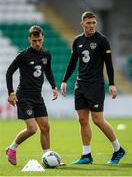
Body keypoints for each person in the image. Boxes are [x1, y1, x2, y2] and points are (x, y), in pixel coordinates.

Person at [61, 11, 125, 165]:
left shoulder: (102, 40)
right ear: (82, 23)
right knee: (83, 120)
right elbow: (72, 62)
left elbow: (109, 64)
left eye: (93, 23)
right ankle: (86, 155)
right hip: (80, 84)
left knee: (97, 120)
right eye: (88, 23)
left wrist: (111, 84)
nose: (91, 26)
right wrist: (64, 81)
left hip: (95, 85)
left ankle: (118, 149)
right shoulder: (77, 41)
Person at [6, 25, 58, 165]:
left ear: (43, 38)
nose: (37, 43)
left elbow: (48, 71)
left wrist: (54, 86)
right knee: (32, 129)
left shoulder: (46, 54)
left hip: (37, 97)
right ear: (29, 39)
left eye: (39, 40)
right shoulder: (23, 55)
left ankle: (48, 157)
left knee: (46, 127)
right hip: (24, 96)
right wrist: (11, 93)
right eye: (34, 40)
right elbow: (9, 72)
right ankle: (12, 148)